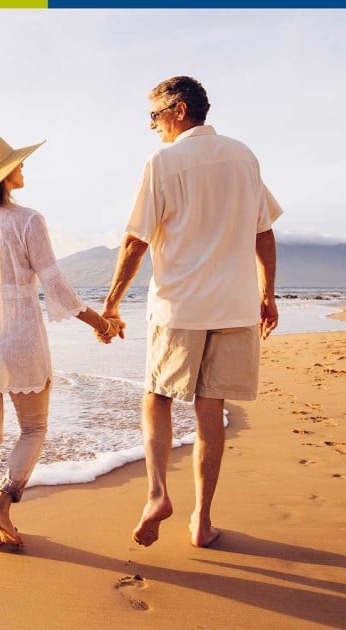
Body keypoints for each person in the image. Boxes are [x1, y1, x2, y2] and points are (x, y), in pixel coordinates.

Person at [102, 76, 283, 549]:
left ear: (179, 111)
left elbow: (135, 240)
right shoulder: (244, 156)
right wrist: (268, 295)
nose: (153, 126)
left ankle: (159, 493)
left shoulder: (164, 160)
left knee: (157, 397)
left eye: (155, 116)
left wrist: (112, 301)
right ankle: (202, 521)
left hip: (179, 305)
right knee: (211, 407)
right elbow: (263, 233)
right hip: (236, 305)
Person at [0, 135, 121, 551]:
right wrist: (97, 323)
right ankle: (4, 503)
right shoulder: (29, 220)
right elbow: (55, 283)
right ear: (2, 175)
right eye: (17, 163)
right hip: (20, 336)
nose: (23, 168)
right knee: (33, 428)